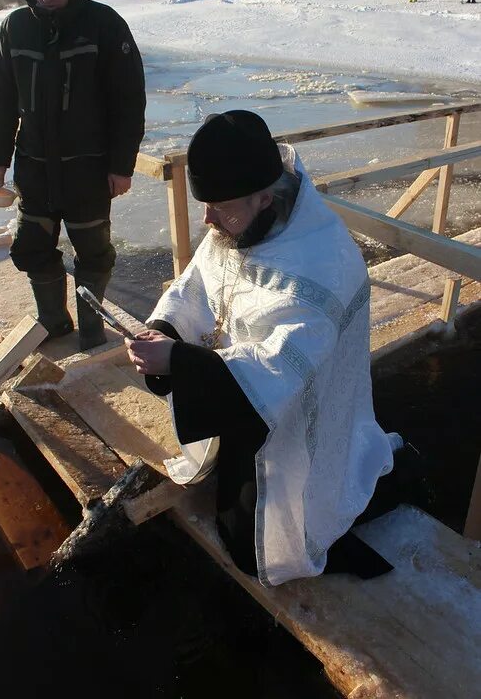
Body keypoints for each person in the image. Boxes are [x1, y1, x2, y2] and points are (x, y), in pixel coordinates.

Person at [127, 110, 405, 588]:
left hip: (300, 414)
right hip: (243, 394)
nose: (208, 220)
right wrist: (166, 332)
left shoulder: (323, 260)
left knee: (254, 544)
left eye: (219, 207)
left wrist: (179, 362)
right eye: (205, 205)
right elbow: (194, 286)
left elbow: (285, 366)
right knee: (234, 502)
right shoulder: (239, 221)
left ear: (265, 197)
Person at [0, 0, 146, 350]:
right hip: (35, 167)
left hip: (88, 168)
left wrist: (121, 165)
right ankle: (54, 323)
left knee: (93, 252)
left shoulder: (105, 24)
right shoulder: (14, 28)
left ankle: (92, 333)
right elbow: (2, 99)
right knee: (32, 247)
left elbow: (128, 102)